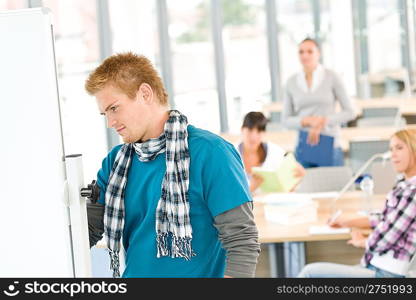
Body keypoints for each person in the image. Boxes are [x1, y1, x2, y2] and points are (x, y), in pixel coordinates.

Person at [85, 52, 260, 278]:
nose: (110, 122)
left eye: (114, 108)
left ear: (145, 93)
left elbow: (242, 241)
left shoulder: (211, 153)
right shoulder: (115, 163)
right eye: (104, 114)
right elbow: (86, 233)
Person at [298, 128, 416, 278]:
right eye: (391, 149)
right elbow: (389, 218)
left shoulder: (412, 192)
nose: (392, 155)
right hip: (377, 264)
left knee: (309, 274)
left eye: (399, 148)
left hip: (387, 273)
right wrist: (350, 221)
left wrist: (364, 242)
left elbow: (389, 236)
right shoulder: (404, 185)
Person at [281, 37, 356, 168]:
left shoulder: (332, 77)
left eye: (310, 51)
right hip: (303, 147)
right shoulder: (291, 82)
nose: (305, 55)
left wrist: (323, 121)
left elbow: (350, 112)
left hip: (330, 145)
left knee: (333, 186)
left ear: (318, 53)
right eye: (301, 52)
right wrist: (307, 121)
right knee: (305, 187)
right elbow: (285, 120)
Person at [237, 111, 305, 193]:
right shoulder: (230, 155)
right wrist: (251, 188)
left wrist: (295, 179)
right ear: (242, 130)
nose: (253, 137)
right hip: (245, 206)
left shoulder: (275, 152)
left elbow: (287, 190)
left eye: (258, 132)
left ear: (264, 133)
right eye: (250, 130)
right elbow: (227, 197)